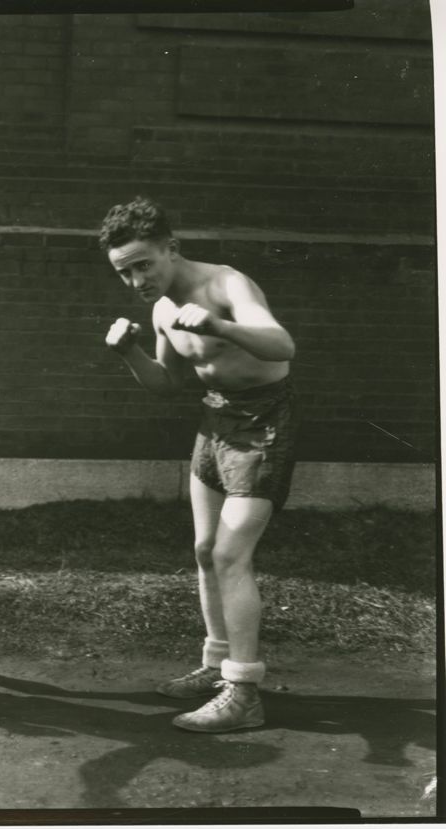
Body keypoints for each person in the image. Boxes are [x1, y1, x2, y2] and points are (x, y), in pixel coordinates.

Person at [100, 196, 298, 733]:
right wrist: (130, 354)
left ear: (172, 249)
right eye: (125, 272)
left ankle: (244, 692)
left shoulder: (227, 285)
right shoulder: (162, 308)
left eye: (145, 264)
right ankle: (216, 665)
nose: (138, 280)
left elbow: (283, 346)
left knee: (232, 555)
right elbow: (168, 382)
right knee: (205, 551)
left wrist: (221, 325)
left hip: (262, 425)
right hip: (214, 422)